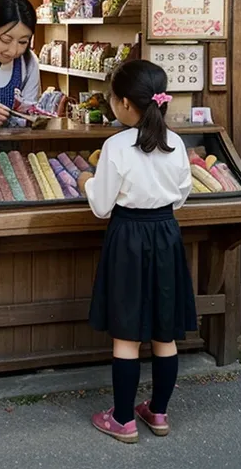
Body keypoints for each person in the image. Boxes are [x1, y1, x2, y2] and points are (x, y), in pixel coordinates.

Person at [78, 59, 196, 444]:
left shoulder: (115, 145)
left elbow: (101, 206)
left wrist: (86, 182)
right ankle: (158, 413)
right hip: (165, 234)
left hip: (128, 236)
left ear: (125, 103)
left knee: (127, 333)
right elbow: (180, 196)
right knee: (165, 332)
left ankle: (124, 419)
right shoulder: (176, 143)